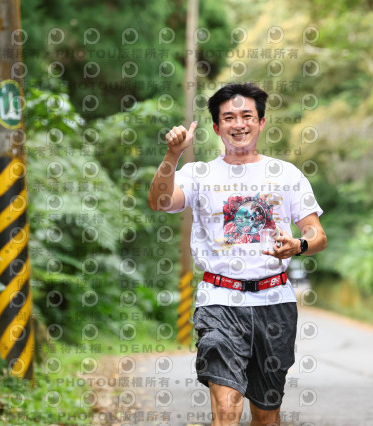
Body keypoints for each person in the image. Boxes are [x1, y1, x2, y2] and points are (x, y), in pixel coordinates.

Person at [148, 82, 326, 426]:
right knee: (226, 406)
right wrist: (172, 155)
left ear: (261, 122)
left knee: (266, 414)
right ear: (217, 127)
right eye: (229, 117)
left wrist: (299, 245)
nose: (239, 124)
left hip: (275, 302)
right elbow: (158, 201)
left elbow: (316, 234)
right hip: (219, 301)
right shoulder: (199, 174)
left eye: (247, 116)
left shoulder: (287, 174)